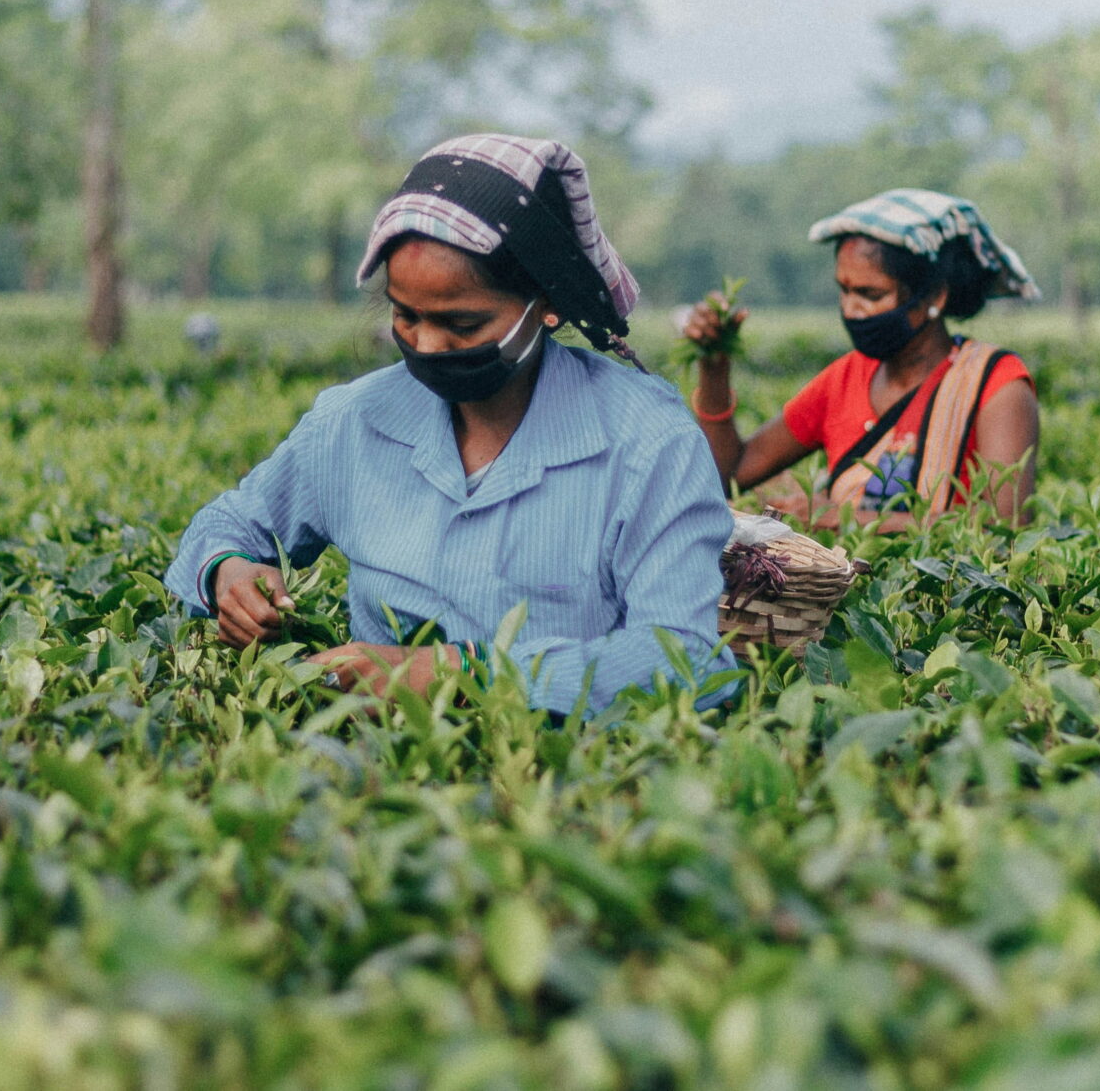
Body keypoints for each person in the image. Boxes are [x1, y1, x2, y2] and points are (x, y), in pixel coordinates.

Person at [165, 133, 735, 716]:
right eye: (405, 315)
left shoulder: (647, 443)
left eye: (461, 323)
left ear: (547, 303)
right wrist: (227, 574)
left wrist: (459, 672)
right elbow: (228, 524)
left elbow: (690, 659)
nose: (428, 345)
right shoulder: (353, 422)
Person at [680, 190, 1042, 531]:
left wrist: (844, 518)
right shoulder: (846, 377)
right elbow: (730, 473)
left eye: (871, 294)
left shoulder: (996, 384)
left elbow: (1004, 528)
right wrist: (715, 368)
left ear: (935, 295)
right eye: (844, 289)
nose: (851, 309)